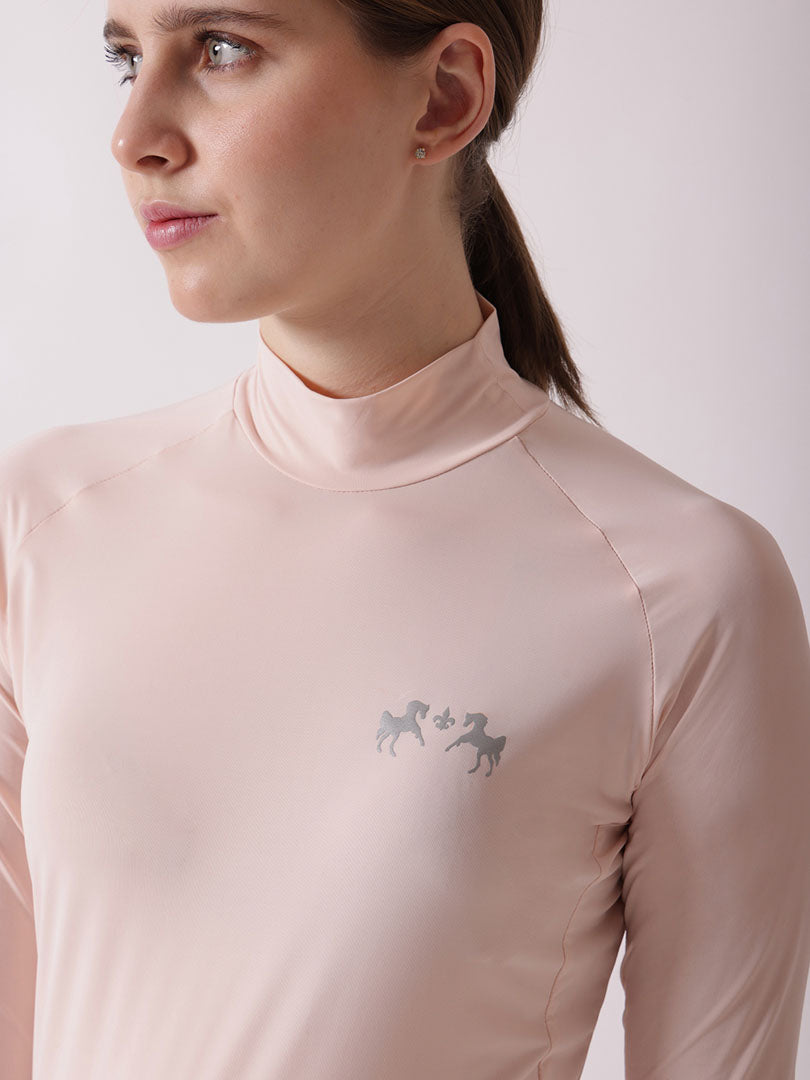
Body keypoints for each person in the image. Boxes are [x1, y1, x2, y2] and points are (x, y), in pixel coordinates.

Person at [1, 1, 809, 1077]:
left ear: (445, 97)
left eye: (223, 48)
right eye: (126, 58)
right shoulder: (45, 522)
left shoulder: (680, 589)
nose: (133, 134)